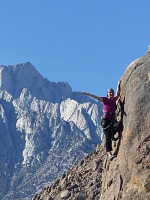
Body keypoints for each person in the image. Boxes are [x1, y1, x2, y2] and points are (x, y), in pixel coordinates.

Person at [82, 81, 121, 161]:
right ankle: (109, 154)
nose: (111, 94)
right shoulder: (105, 100)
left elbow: (118, 93)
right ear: (107, 94)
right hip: (105, 120)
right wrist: (88, 94)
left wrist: (118, 84)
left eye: (112, 92)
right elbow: (96, 97)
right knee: (107, 138)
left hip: (112, 119)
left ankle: (112, 134)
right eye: (110, 92)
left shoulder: (114, 99)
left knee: (118, 126)